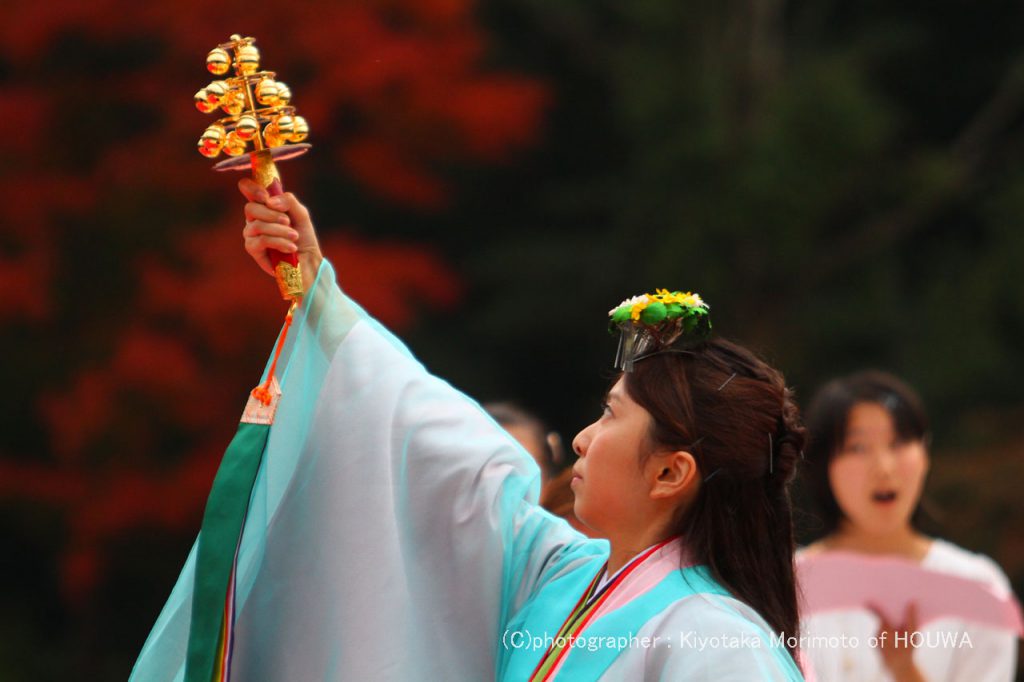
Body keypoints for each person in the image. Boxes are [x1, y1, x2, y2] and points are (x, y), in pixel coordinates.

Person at [131, 180, 805, 680]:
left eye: (609, 417)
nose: (581, 439)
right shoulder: (563, 575)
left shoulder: (721, 642)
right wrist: (317, 296)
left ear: (669, 472)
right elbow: (449, 451)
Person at [798, 370, 1019, 682]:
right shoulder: (784, 585)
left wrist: (905, 671)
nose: (884, 467)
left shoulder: (977, 589)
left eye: (899, 442)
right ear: (823, 467)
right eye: (857, 448)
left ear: (925, 453)